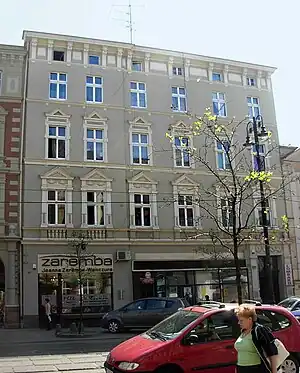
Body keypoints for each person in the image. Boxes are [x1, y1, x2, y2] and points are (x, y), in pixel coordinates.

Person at [234, 305, 278, 373]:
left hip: (256, 369)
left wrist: (274, 371)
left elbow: (272, 351)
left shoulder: (259, 330)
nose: (238, 323)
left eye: (241, 320)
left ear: (250, 319)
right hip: (241, 369)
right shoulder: (242, 332)